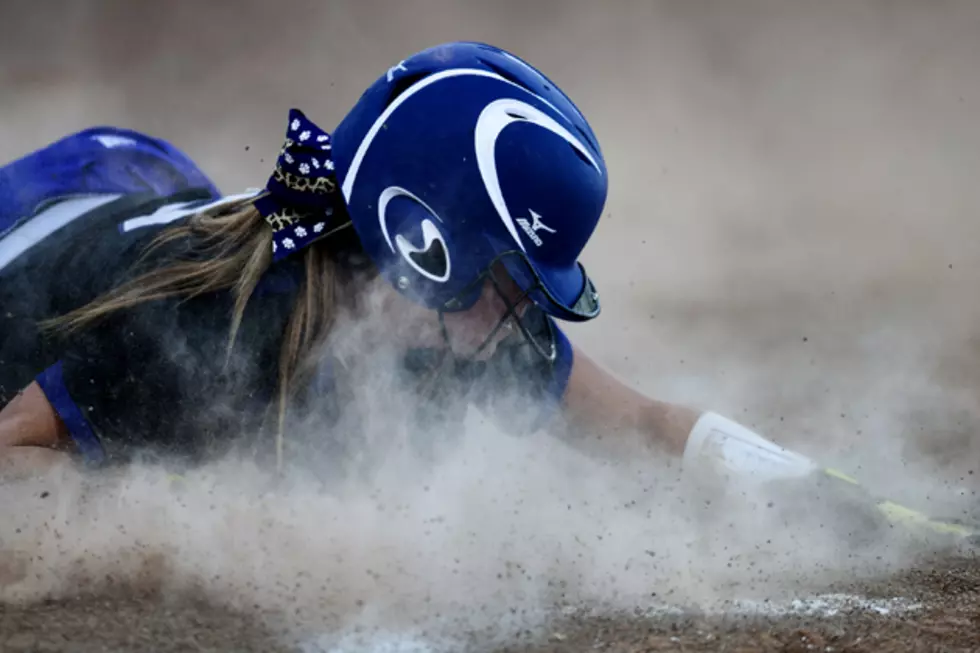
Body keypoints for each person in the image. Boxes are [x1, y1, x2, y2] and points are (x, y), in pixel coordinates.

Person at [0, 41, 829, 490]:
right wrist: (183, 514)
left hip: (129, 208)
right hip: (27, 257)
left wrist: (817, 492)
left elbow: (643, 424)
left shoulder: (452, 323)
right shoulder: (220, 328)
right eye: (506, 279)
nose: (516, 316)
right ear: (422, 250)